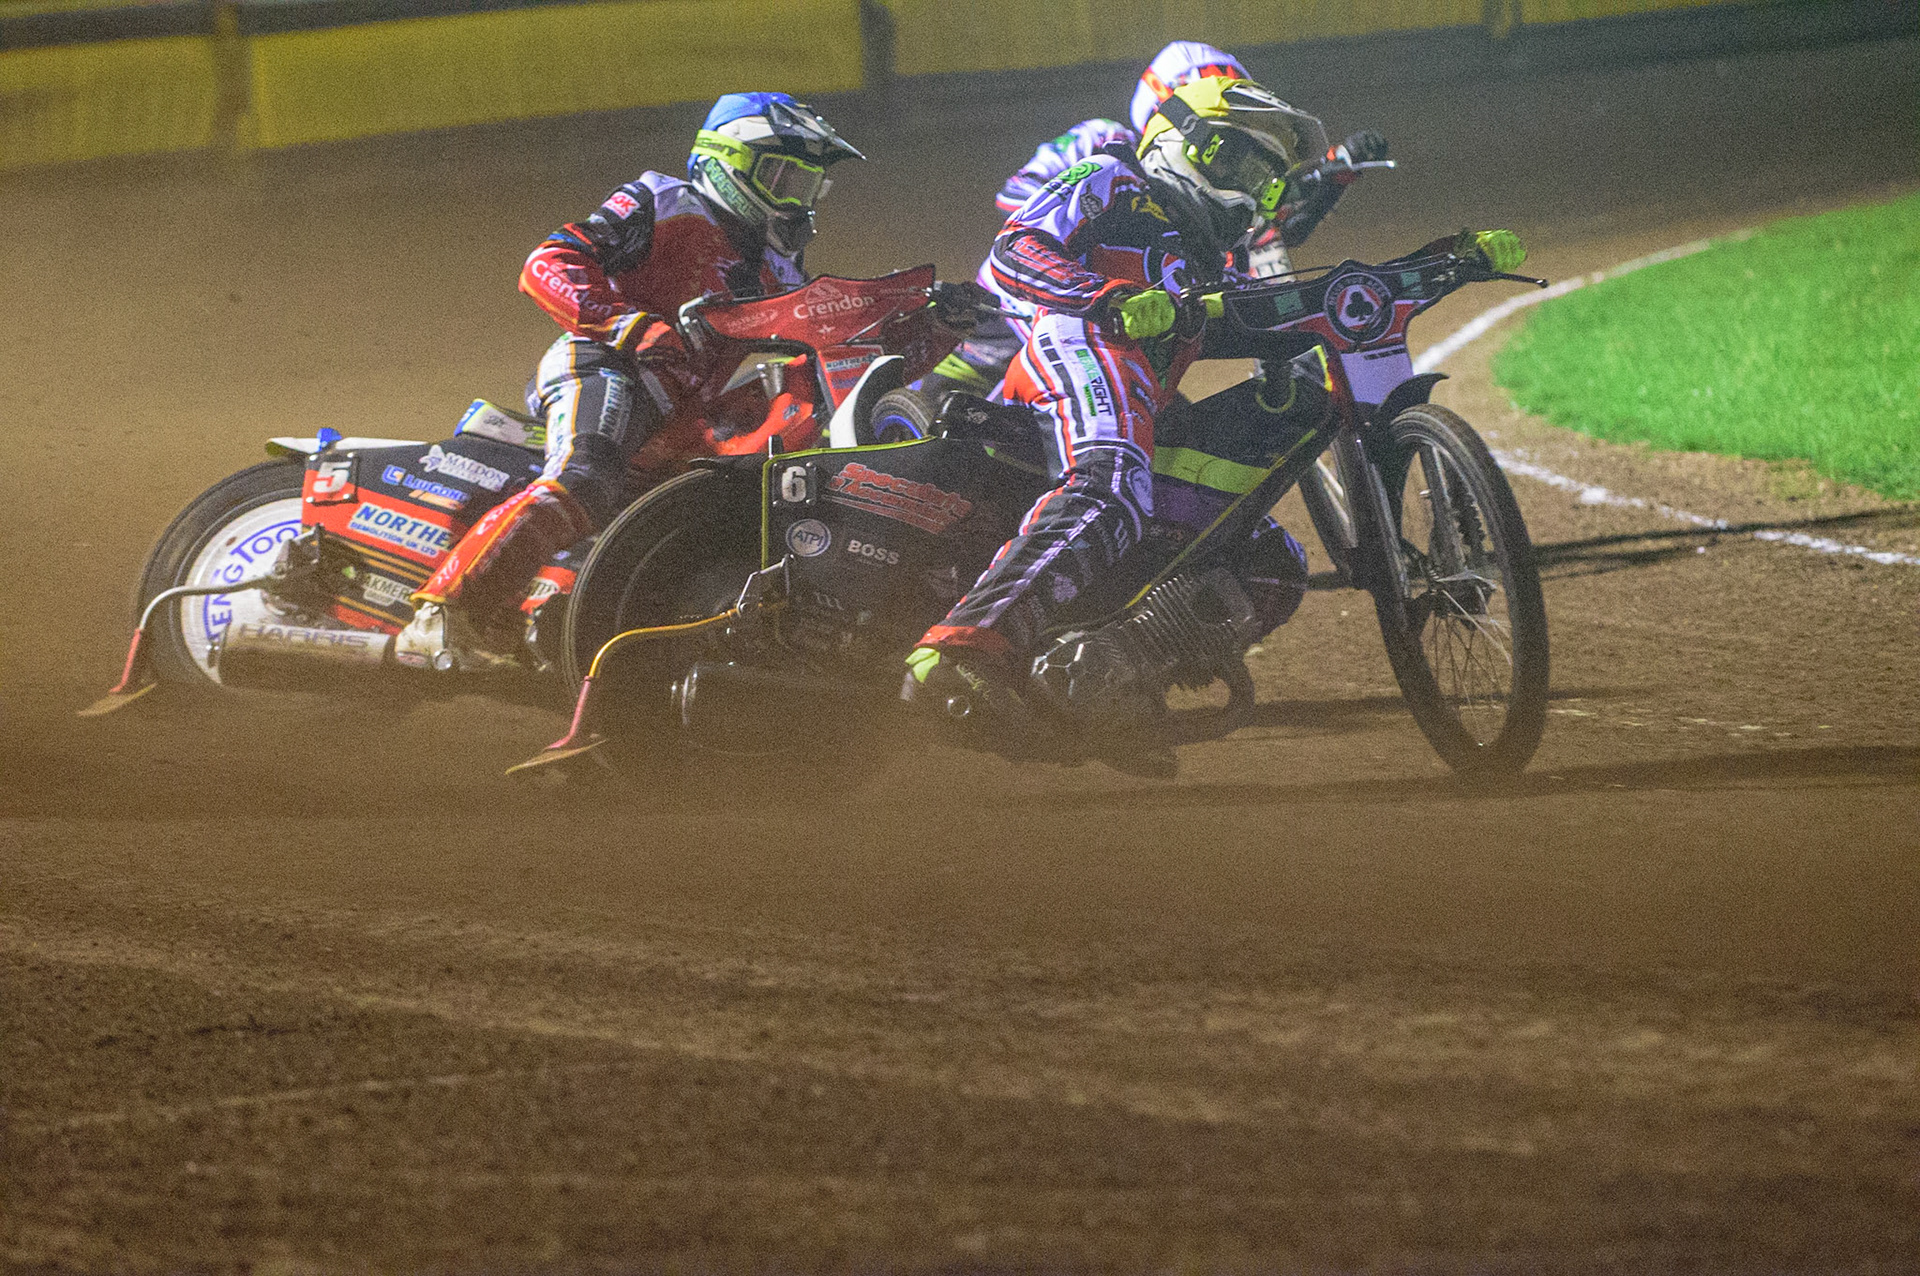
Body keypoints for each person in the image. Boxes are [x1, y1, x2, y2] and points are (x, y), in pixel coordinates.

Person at [902, 75, 1524, 726]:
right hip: (1074, 341)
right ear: (1181, 142)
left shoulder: (1201, 256)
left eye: (1263, 178)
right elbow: (1013, 254)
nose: (1247, 188)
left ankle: (1099, 677)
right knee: (1111, 485)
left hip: (1136, 399)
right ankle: (960, 651)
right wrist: (1103, 296)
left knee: (1271, 565)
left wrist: (1439, 262)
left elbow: (1270, 308)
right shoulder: (1111, 177)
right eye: (1236, 162)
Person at [398, 92, 863, 670]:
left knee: (717, 510)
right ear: (729, 164)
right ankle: (442, 613)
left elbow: (825, 341)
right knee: (585, 476)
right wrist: (624, 323)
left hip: (680, 415)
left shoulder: (781, 271)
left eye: (810, 186)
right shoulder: (668, 203)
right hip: (604, 365)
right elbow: (548, 261)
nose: (798, 201)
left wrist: (926, 327)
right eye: (784, 179)